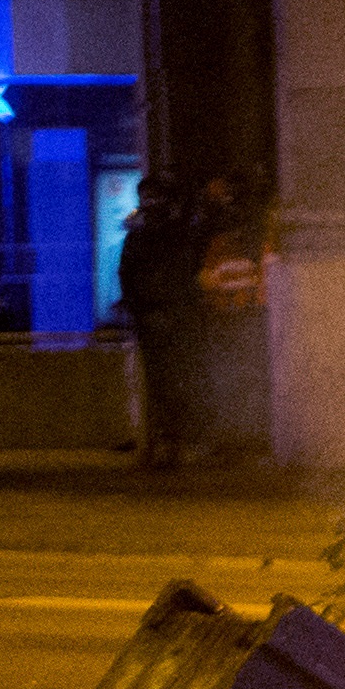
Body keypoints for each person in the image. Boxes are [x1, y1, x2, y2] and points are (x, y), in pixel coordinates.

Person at [119, 174, 206, 471]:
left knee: (172, 384)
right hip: (154, 317)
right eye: (146, 195)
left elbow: (181, 273)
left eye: (154, 196)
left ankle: (173, 444)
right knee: (158, 385)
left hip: (170, 317)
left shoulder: (174, 233)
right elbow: (127, 274)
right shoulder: (142, 234)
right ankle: (161, 444)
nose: (150, 202)